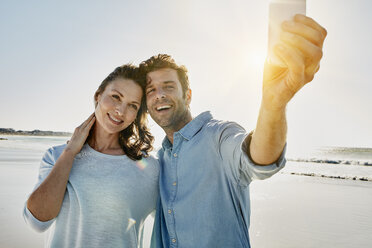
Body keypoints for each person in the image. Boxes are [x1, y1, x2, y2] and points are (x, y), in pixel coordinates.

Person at [140, 14, 327, 247]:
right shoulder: (159, 160)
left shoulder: (219, 136)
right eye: (151, 90)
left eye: (168, 86)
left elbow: (258, 157)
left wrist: (273, 103)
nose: (160, 95)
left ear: (188, 95)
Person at [23, 64, 159, 248]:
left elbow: (177, 224)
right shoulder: (57, 156)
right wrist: (70, 153)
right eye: (115, 97)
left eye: (132, 105)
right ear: (98, 96)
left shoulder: (149, 168)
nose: (120, 110)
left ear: (136, 114)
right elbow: (37, 221)